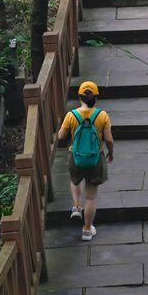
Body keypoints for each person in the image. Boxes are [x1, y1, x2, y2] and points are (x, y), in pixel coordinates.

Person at [56, 81, 114, 242]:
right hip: (95, 158)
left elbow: (60, 136)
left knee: (74, 180)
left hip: (76, 157)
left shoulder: (71, 115)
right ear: (95, 98)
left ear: (79, 97)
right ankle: (87, 229)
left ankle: (76, 205)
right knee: (91, 197)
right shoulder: (102, 116)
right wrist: (111, 153)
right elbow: (109, 140)